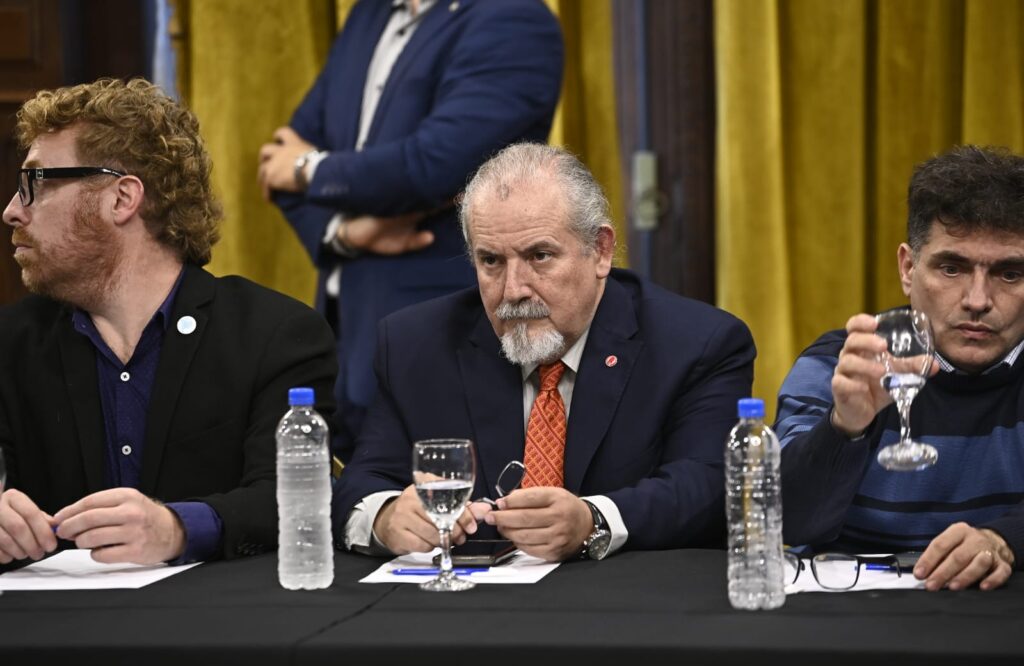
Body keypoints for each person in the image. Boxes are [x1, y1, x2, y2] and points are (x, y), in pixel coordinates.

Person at [331, 143, 755, 561]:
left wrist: (593, 520)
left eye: (540, 255)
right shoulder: (416, 344)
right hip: (470, 613)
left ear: (600, 251)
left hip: (630, 612)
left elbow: (708, 487)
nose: (514, 290)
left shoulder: (698, 344)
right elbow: (361, 481)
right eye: (491, 261)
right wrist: (386, 517)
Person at [0, 78, 337, 566]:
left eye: (35, 183)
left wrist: (177, 528)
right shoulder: (12, 344)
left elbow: (296, 498)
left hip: (218, 626)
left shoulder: (275, 335)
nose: (12, 210)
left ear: (121, 198)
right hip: (51, 628)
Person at [256, 0, 563, 460]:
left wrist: (308, 169)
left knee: (448, 516)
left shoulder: (512, 18)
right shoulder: (370, 14)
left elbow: (434, 165)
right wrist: (346, 231)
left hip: (443, 337)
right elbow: (279, 158)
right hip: (345, 332)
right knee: (359, 512)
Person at [775, 145, 1024, 591]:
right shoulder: (838, 364)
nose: (978, 300)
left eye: (1009, 274)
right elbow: (786, 524)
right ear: (908, 269)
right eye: (952, 268)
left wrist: (1004, 539)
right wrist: (843, 428)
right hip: (855, 624)